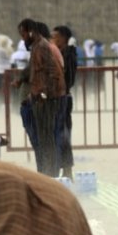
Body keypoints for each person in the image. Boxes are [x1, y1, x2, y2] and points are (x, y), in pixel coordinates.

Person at [20, 19, 66, 176]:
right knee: (45, 138)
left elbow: (52, 71)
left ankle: (50, 173)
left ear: (31, 32)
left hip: (45, 100)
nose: (23, 38)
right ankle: (47, 172)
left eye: (24, 34)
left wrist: (45, 94)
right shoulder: (38, 47)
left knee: (47, 139)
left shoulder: (42, 47)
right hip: (40, 98)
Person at [53, 25, 78, 177]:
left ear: (63, 38)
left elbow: (68, 78)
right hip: (59, 98)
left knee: (63, 134)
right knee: (60, 133)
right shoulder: (60, 53)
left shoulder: (68, 55)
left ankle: (67, 170)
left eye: (55, 36)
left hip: (62, 99)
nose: (52, 39)